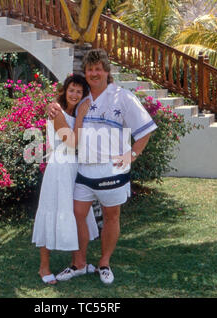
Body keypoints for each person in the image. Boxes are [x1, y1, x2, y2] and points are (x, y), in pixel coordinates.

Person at [47, 49, 157, 284]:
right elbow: (62, 112)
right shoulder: (82, 99)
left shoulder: (123, 97)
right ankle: (79, 263)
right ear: (85, 73)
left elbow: (146, 130)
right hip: (84, 170)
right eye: (90, 69)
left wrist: (132, 155)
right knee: (77, 215)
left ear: (107, 71)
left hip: (112, 171)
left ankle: (104, 263)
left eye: (98, 69)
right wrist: (52, 107)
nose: (94, 73)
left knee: (111, 217)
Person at [32, 74, 100, 284]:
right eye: (72, 90)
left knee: (78, 215)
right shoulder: (57, 112)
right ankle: (44, 268)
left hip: (75, 169)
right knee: (52, 212)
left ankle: (79, 262)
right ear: (65, 91)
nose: (75, 94)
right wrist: (81, 115)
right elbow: (71, 142)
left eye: (79, 91)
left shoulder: (79, 112)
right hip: (59, 170)